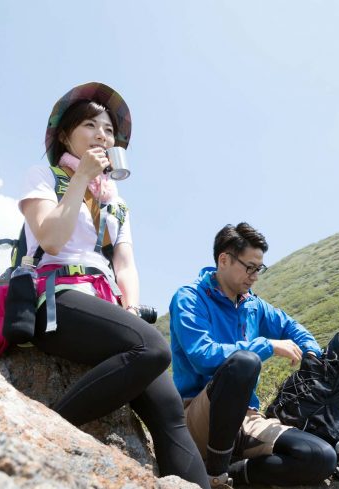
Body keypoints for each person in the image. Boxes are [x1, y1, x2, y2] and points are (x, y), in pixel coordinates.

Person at [19, 82, 209, 488]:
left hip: (104, 303)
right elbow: (51, 239)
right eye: (90, 125)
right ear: (66, 135)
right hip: (56, 299)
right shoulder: (45, 176)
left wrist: (130, 309)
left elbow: (125, 264)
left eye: (108, 129)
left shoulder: (115, 201)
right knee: (153, 347)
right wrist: (81, 177)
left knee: (168, 407)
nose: (102, 134)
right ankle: (49, 433)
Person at [169, 223, 337, 488]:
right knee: (244, 362)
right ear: (224, 260)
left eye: (259, 268)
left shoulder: (252, 304)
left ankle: (233, 474)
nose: (255, 276)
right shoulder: (189, 298)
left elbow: (291, 327)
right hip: (199, 415)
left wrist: (312, 353)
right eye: (249, 267)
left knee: (321, 457)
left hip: (247, 417)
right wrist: (265, 345)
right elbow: (203, 355)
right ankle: (215, 473)